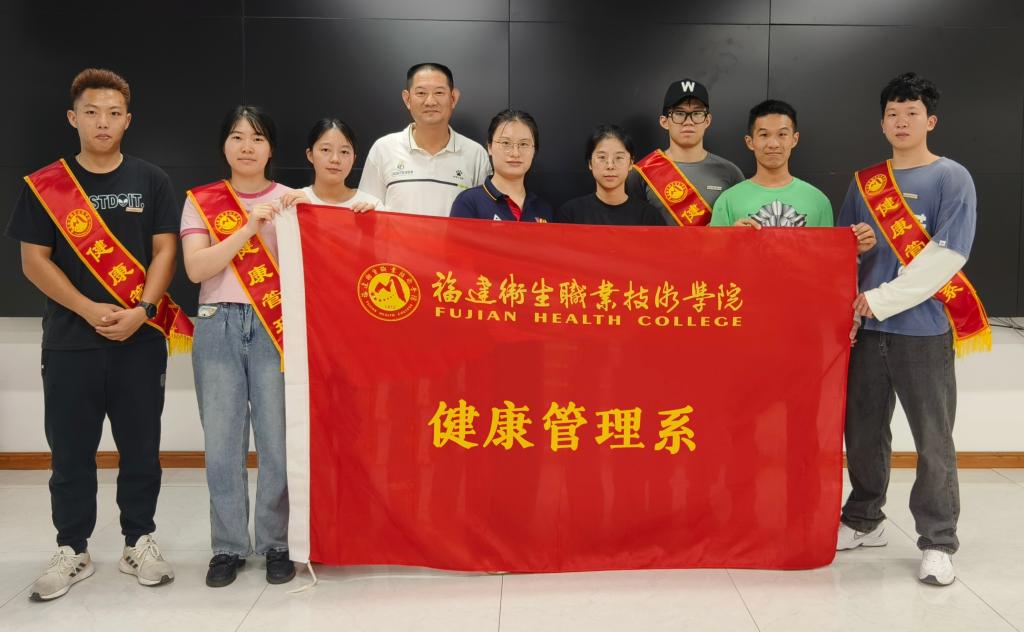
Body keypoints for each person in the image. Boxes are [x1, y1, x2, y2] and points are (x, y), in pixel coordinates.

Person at [6, 68, 181, 601]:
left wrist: (143, 310)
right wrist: (86, 309)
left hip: (139, 341)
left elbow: (166, 251)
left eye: (113, 113)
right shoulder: (47, 185)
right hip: (69, 342)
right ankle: (72, 548)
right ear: (72, 118)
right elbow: (33, 261)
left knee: (141, 448)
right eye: (91, 112)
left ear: (128, 120)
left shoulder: (152, 179)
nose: (102, 122)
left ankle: (139, 540)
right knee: (70, 453)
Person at [836, 72, 990, 587]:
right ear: (882, 123)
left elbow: (948, 256)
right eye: (893, 114)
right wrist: (855, 247)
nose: (902, 122)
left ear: (931, 120)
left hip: (923, 331)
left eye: (912, 113)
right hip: (868, 333)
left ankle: (938, 540)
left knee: (932, 439)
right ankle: (864, 519)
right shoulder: (865, 183)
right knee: (862, 433)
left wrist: (880, 300)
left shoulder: (952, 177)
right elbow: (841, 254)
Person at [180, 105, 295, 588]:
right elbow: (197, 269)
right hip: (217, 323)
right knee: (222, 444)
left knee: (277, 442)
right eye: (237, 136)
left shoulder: (292, 200)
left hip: (277, 326)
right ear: (224, 145)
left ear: (271, 148)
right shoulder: (201, 200)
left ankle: (276, 543)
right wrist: (248, 228)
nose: (247, 146)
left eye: (258, 138)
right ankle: (227, 546)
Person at [359, 62, 490, 216]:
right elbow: (366, 210)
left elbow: (484, 217)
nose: (430, 101)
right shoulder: (383, 149)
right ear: (407, 99)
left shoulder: (475, 155)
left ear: (453, 98)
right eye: (421, 93)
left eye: (439, 92)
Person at [628, 78, 744, 226]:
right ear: (664, 121)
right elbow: (631, 230)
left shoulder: (731, 173)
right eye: (679, 113)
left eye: (697, 113)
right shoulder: (641, 173)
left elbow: (741, 228)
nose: (688, 121)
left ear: (707, 120)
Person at [710, 100, 838, 229]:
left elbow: (828, 243)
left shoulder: (818, 201)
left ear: (794, 139)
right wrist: (732, 237)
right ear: (750, 142)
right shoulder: (727, 201)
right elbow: (715, 243)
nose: (773, 144)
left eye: (782, 134)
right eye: (764, 135)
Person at [450, 109, 553, 222]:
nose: (515, 153)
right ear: (490, 147)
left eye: (524, 144)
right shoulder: (469, 203)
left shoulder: (543, 209)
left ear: (534, 150)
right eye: (506, 143)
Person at [556, 125, 666, 226]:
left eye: (619, 158)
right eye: (602, 157)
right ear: (590, 163)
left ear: (631, 163)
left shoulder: (649, 217)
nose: (610, 166)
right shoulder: (571, 214)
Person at [284, 118, 382, 211]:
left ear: (353, 159)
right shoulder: (293, 202)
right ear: (310, 155)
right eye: (325, 149)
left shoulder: (371, 205)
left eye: (344, 152)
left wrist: (372, 220)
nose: (335, 159)